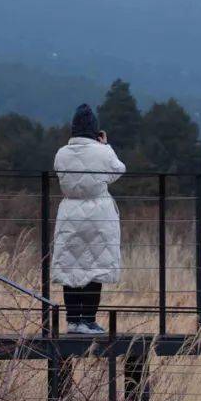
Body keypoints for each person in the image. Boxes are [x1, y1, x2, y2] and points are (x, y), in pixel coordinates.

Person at [50, 102, 126, 334]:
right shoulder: (102, 151)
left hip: (69, 213)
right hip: (98, 216)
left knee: (70, 268)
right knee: (95, 268)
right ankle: (88, 320)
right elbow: (118, 169)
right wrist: (105, 145)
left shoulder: (61, 153)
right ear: (95, 130)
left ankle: (73, 321)